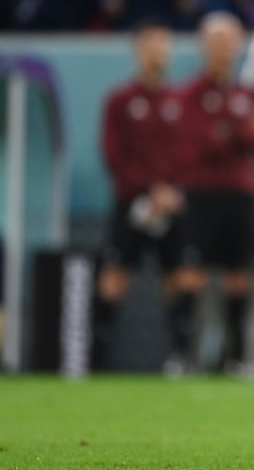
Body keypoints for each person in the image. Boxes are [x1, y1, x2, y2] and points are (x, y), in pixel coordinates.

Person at [94, 18, 199, 372]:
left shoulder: (178, 101)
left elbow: (186, 152)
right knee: (114, 276)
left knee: (181, 275)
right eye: (152, 45)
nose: (159, 52)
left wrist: (172, 190)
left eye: (164, 45)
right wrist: (149, 189)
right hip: (132, 203)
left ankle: (180, 357)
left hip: (172, 205)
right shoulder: (120, 100)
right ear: (138, 50)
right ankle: (95, 358)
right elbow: (113, 153)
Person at [176, 12, 254, 371]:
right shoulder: (190, 94)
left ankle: (235, 356)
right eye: (217, 42)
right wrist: (238, 132)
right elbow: (194, 141)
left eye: (230, 42)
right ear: (205, 46)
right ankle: (183, 355)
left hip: (239, 195)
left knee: (239, 275)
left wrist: (229, 132)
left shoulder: (246, 93)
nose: (224, 50)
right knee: (192, 273)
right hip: (201, 194)